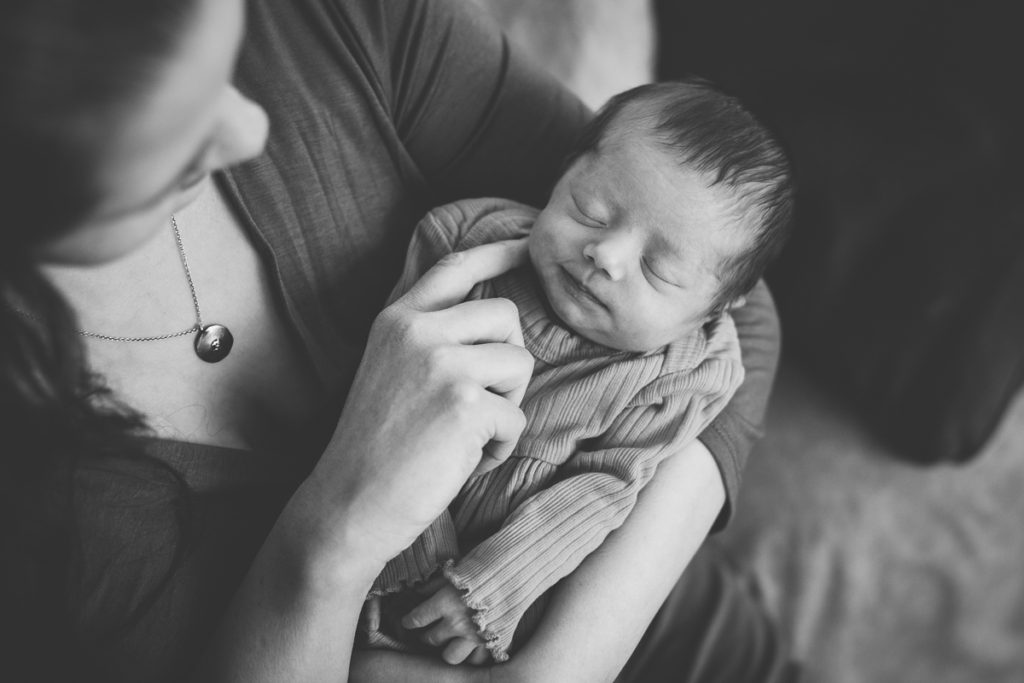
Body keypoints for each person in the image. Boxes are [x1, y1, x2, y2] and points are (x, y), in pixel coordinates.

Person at [0, 1, 790, 682]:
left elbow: (736, 302)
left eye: (231, 63)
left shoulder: (332, 20)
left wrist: (559, 667)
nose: (252, 129)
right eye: (174, 123)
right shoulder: (34, 488)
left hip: (697, 648)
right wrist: (334, 529)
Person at [362, 79, 793, 665]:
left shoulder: (688, 371)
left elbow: (604, 486)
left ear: (717, 308)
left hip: (632, 623)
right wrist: (407, 560)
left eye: (660, 269)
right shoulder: (463, 244)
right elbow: (391, 404)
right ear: (563, 172)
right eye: (590, 211)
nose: (605, 256)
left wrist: (489, 589)